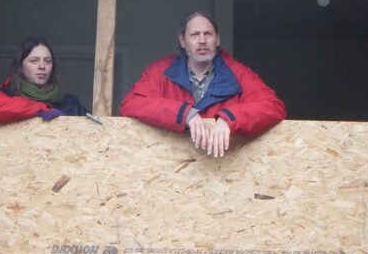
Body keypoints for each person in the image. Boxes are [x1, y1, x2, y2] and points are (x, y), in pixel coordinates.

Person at [119, 10, 285, 157]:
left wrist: (229, 119)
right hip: (172, 172)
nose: (202, 40)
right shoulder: (161, 71)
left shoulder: (238, 72)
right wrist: (185, 114)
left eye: (208, 34)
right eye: (194, 35)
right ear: (183, 41)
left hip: (225, 173)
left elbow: (273, 107)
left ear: (217, 39)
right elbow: (131, 104)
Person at [0, 37, 88, 123]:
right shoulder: (7, 93)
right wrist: (41, 108)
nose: (42, 66)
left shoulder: (71, 104)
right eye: (34, 61)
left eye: (47, 61)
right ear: (21, 66)